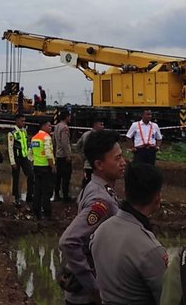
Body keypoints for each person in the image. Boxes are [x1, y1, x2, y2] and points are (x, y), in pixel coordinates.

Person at [58, 129, 126, 305]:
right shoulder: (100, 199)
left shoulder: (96, 186)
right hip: (86, 299)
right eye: (117, 158)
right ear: (99, 164)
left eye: (122, 157)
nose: (123, 163)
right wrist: (93, 287)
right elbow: (69, 241)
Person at [91, 163, 167, 305]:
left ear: (125, 192)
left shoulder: (100, 231)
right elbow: (166, 298)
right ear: (157, 198)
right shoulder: (150, 248)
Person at [31, 120, 56, 219]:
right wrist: (52, 165)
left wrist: (33, 162)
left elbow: (30, 153)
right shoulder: (46, 137)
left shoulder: (34, 138)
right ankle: (47, 213)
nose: (51, 128)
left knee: (37, 190)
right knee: (46, 191)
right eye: (49, 126)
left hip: (37, 167)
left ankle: (36, 211)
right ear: (43, 126)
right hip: (46, 167)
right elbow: (48, 152)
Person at [8, 113, 34, 206]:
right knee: (16, 178)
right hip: (16, 158)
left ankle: (30, 196)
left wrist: (30, 157)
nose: (23, 123)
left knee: (31, 175)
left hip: (25, 157)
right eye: (22, 121)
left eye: (24, 121)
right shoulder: (12, 133)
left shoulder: (24, 131)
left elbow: (27, 145)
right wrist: (12, 162)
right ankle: (16, 197)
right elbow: (10, 148)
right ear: (17, 121)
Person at [76, 119, 104, 188]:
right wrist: (84, 156)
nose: (103, 127)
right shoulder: (89, 135)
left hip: (96, 163)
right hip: (90, 164)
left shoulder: (101, 136)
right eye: (101, 124)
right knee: (89, 180)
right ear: (95, 125)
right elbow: (78, 146)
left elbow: (78, 147)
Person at [54, 110, 73, 202]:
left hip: (58, 155)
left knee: (58, 176)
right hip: (64, 156)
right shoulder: (65, 128)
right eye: (69, 116)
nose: (70, 118)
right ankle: (65, 196)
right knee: (66, 176)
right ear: (66, 117)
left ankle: (56, 194)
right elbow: (65, 143)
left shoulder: (57, 126)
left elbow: (54, 140)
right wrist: (68, 156)